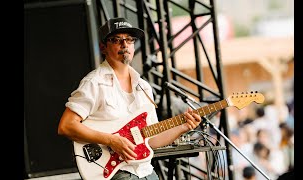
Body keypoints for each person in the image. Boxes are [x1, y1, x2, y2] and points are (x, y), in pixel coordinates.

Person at [57, 17, 202, 180]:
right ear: (103, 47)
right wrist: (111, 141)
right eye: (117, 40)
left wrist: (182, 127)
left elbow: (151, 140)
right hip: (114, 172)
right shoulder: (94, 83)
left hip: (145, 170)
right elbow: (66, 126)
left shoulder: (144, 87)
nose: (124, 44)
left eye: (129, 40)